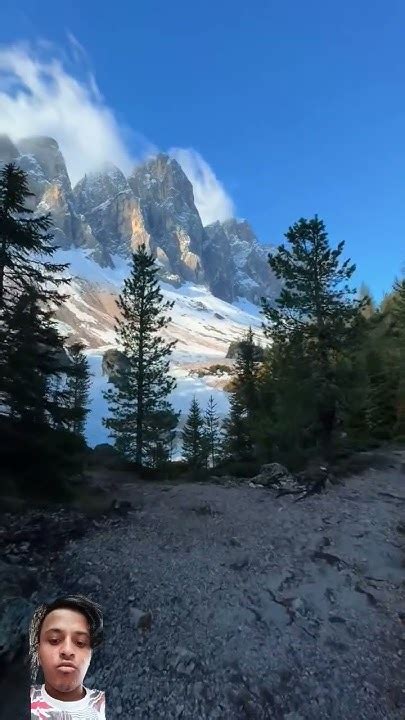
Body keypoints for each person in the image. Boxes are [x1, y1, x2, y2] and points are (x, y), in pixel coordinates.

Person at [29, 594, 106, 719]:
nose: (67, 650)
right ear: (38, 652)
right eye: (54, 640)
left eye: (80, 642)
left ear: (91, 654)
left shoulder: (104, 706)